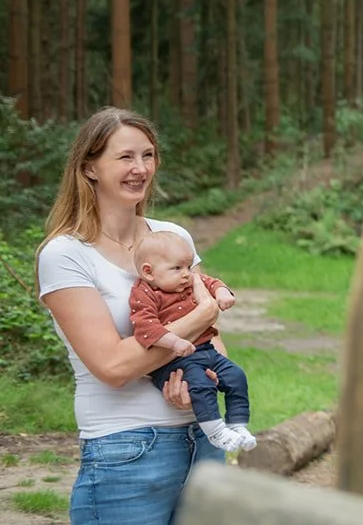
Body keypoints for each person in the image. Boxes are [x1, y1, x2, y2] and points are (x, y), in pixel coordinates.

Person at [36, 108, 235, 524]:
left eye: (148, 155)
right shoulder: (66, 254)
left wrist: (209, 372)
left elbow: (210, 337)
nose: (140, 169)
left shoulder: (172, 237)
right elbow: (112, 365)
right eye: (125, 157)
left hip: (204, 437)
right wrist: (203, 314)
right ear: (89, 166)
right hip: (127, 447)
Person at [129, 232, 255, 453]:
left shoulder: (187, 282)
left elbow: (211, 282)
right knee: (200, 385)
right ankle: (216, 431)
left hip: (206, 350)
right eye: (177, 268)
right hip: (173, 361)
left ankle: (238, 424)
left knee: (236, 376)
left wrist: (223, 293)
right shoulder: (144, 294)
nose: (187, 274)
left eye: (188, 266)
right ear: (148, 271)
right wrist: (174, 343)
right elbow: (145, 327)